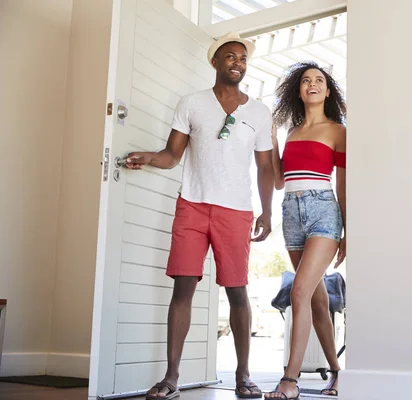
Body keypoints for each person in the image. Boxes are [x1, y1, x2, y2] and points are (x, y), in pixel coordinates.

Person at [124, 32, 274, 400]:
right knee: (183, 288)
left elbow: (266, 167)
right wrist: (148, 157)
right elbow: (172, 154)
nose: (237, 62)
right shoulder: (191, 103)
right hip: (192, 204)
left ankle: (243, 375)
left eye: (242, 58)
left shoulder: (258, 112)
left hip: (236, 210)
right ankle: (171, 377)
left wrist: (267, 211)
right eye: (230, 56)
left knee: (237, 290)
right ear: (215, 62)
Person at [266, 61, 347, 399]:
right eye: (305, 80)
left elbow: (343, 184)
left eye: (319, 80)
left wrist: (349, 231)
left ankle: (290, 380)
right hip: (291, 212)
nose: (312, 84)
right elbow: (281, 179)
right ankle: (337, 373)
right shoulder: (292, 131)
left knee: (299, 291)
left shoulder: (339, 131)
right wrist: (271, 140)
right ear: (298, 90)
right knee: (314, 299)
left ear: (328, 91)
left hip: (323, 212)